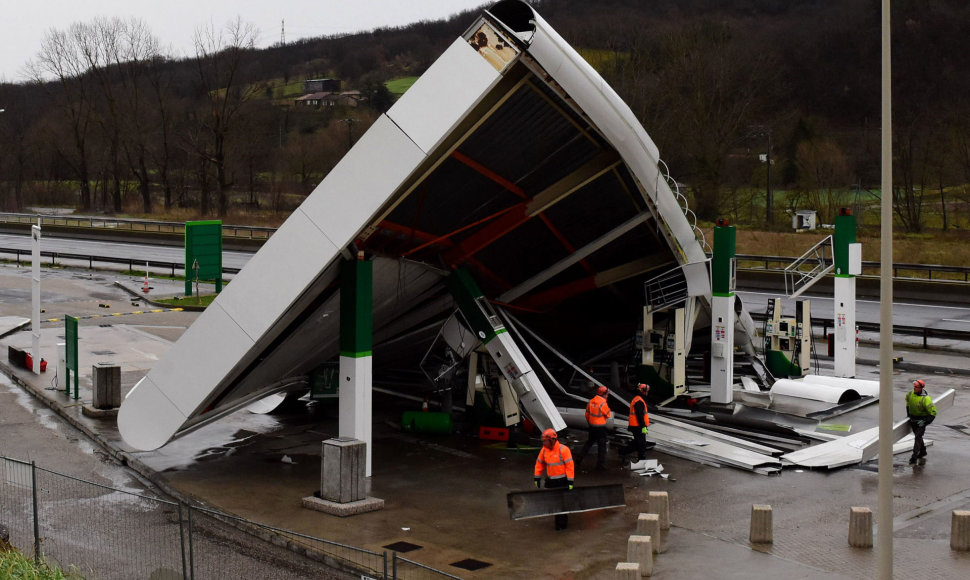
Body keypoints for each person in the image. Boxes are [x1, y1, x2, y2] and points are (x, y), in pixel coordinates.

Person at [534, 429, 575, 530]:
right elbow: (539, 464)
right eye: (543, 441)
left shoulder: (563, 450)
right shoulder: (544, 450)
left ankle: (562, 526)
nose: (543, 443)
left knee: (562, 505)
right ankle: (558, 525)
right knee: (555, 504)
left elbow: (570, 466)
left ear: (552, 440)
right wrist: (537, 478)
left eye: (545, 441)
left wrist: (570, 481)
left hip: (562, 481)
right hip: (551, 481)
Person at [576, 385, 611, 471]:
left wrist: (590, 423)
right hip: (600, 428)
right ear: (603, 394)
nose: (607, 396)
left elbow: (587, 414)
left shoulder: (591, 401)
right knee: (602, 447)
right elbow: (608, 414)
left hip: (592, 427)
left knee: (588, 443)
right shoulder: (603, 403)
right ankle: (600, 465)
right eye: (607, 394)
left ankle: (579, 460)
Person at [905, 379, 937, 464]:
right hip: (913, 420)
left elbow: (933, 413)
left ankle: (914, 456)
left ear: (921, 388)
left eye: (916, 387)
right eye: (914, 387)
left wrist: (925, 422)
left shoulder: (926, 399)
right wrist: (908, 413)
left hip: (921, 421)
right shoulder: (910, 394)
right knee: (918, 436)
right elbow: (907, 402)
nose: (914, 388)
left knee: (917, 437)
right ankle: (923, 451)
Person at [627, 383, 650, 462]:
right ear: (643, 391)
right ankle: (641, 459)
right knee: (641, 443)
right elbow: (639, 415)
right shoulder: (639, 401)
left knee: (638, 442)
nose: (647, 393)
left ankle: (624, 452)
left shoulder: (637, 399)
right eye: (647, 391)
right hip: (638, 426)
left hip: (636, 425)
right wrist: (643, 426)